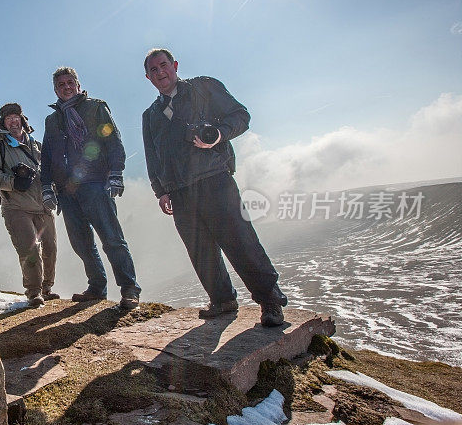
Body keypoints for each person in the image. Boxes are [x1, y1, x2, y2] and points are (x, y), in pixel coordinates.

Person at [141, 48, 289, 327]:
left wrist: (218, 134)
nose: (160, 73)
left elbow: (240, 115)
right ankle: (222, 300)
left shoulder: (204, 87)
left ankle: (270, 301)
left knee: (240, 240)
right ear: (148, 77)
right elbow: (152, 156)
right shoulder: (150, 115)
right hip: (180, 190)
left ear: (175, 65)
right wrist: (160, 190)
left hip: (215, 179)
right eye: (154, 70)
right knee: (200, 250)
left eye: (163, 66)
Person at [40, 66, 142, 310]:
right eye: (60, 85)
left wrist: (116, 172)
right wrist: (46, 186)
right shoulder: (52, 120)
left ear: (77, 84)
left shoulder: (96, 107)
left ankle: (129, 289)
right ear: (55, 90)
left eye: (69, 82)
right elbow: (46, 156)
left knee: (111, 238)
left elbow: (113, 140)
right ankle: (96, 287)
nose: (66, 87)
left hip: (96, 183)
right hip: (66, 190)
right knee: (81, 243)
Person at [0, 103, 59, 308]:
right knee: (29, 250)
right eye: (8, 118)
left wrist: (54, 191)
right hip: (16, 206)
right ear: (3, 123)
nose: (12, 121)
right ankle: (34, 292)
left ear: (21, 119)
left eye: (15, 117)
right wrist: (13, 182)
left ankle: (47, 287)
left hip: (42, 205)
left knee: (51, 248)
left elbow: (49, 169)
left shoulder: (35, 144)